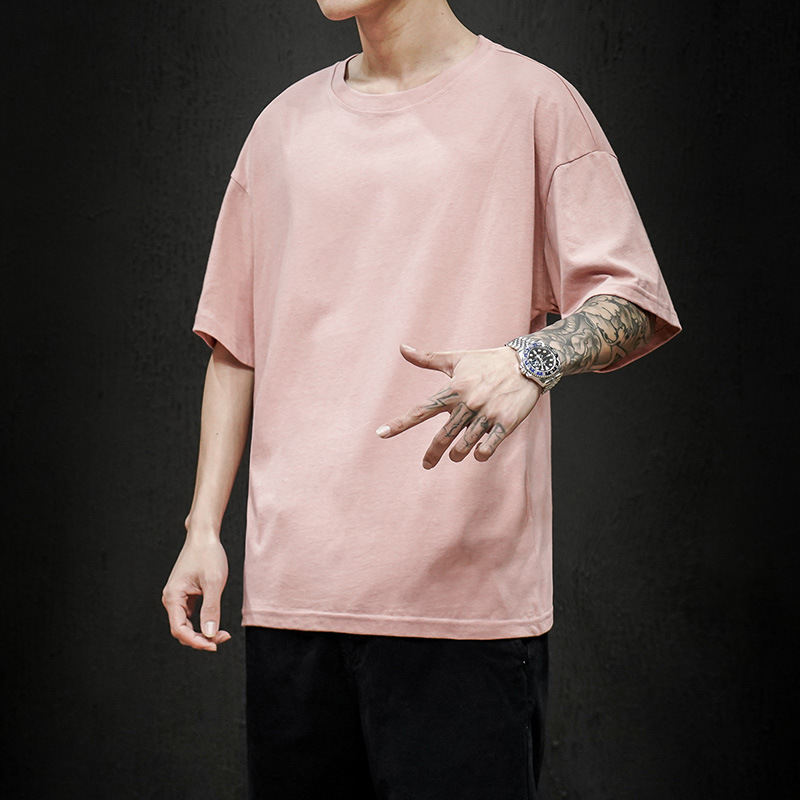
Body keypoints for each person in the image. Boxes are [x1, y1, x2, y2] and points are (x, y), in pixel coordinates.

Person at [162, 1, 680, 797]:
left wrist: (533, 358)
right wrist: (202, 529)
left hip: (462, 606)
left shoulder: (534, 103)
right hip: (294, 600)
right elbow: (236, 345)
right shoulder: (281, 129)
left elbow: (635, 300)